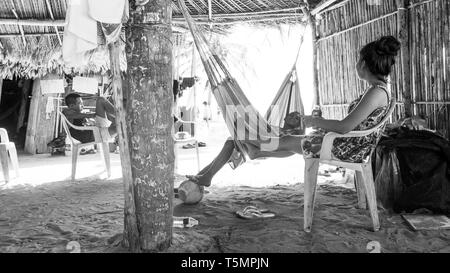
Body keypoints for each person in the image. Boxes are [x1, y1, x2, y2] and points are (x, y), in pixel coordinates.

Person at [188, 35, 400, 187]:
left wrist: (312, 121)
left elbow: (345, 126)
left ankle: (249, 146)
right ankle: (250, 150)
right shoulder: (378, 90)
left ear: (363, 63)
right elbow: (350, 125)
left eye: (357, 60)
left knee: (268, 138)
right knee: (289, 138)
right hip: (346, 143)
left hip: (346, 147)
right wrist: (315, 122)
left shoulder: (376, 93)